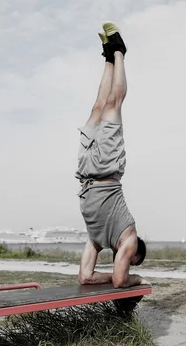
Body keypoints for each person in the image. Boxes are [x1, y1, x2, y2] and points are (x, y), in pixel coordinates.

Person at [75, 22, 148, 289]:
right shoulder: (129, 238)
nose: (128, 263)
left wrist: (106, 277)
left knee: (98, 106)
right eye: (133, 262)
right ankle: (119, 52)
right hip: (106, 168)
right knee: (113, 105)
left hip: (86, 173)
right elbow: (120, 280)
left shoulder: (97, 239)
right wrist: (136, 278)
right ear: (136, 253)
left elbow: (85, 277)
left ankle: (108, 57)